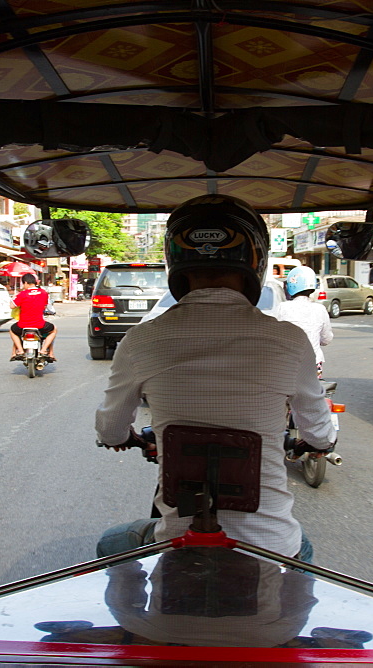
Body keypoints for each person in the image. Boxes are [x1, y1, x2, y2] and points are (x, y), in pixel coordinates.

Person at [94, 194, 336, 562]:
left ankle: (133, 622)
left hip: (176, 541)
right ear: (255, 260)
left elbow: (111, 429)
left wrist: (124, 438)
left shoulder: (141, 339)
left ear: (174, 259)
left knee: (112, 543)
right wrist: (318, 444)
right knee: (301, 549)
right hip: (269, 545)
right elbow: (319, 432)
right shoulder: (290, 340)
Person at [274, 265, 333, 378]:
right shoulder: (320, 309)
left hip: (288, 364)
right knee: (313, 393)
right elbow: (327, 339)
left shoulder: (282, 308)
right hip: (314, 363)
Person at [9, 273, 56, 362]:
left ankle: (20, 350)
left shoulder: (22, 294)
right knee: (53, 330)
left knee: (12, 330)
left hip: (23, 325)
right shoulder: (43, 293)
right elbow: (45, 307)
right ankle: (44, 350)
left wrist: (14, 297)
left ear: (26, 283)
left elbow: (12, 306)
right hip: (40, 325)